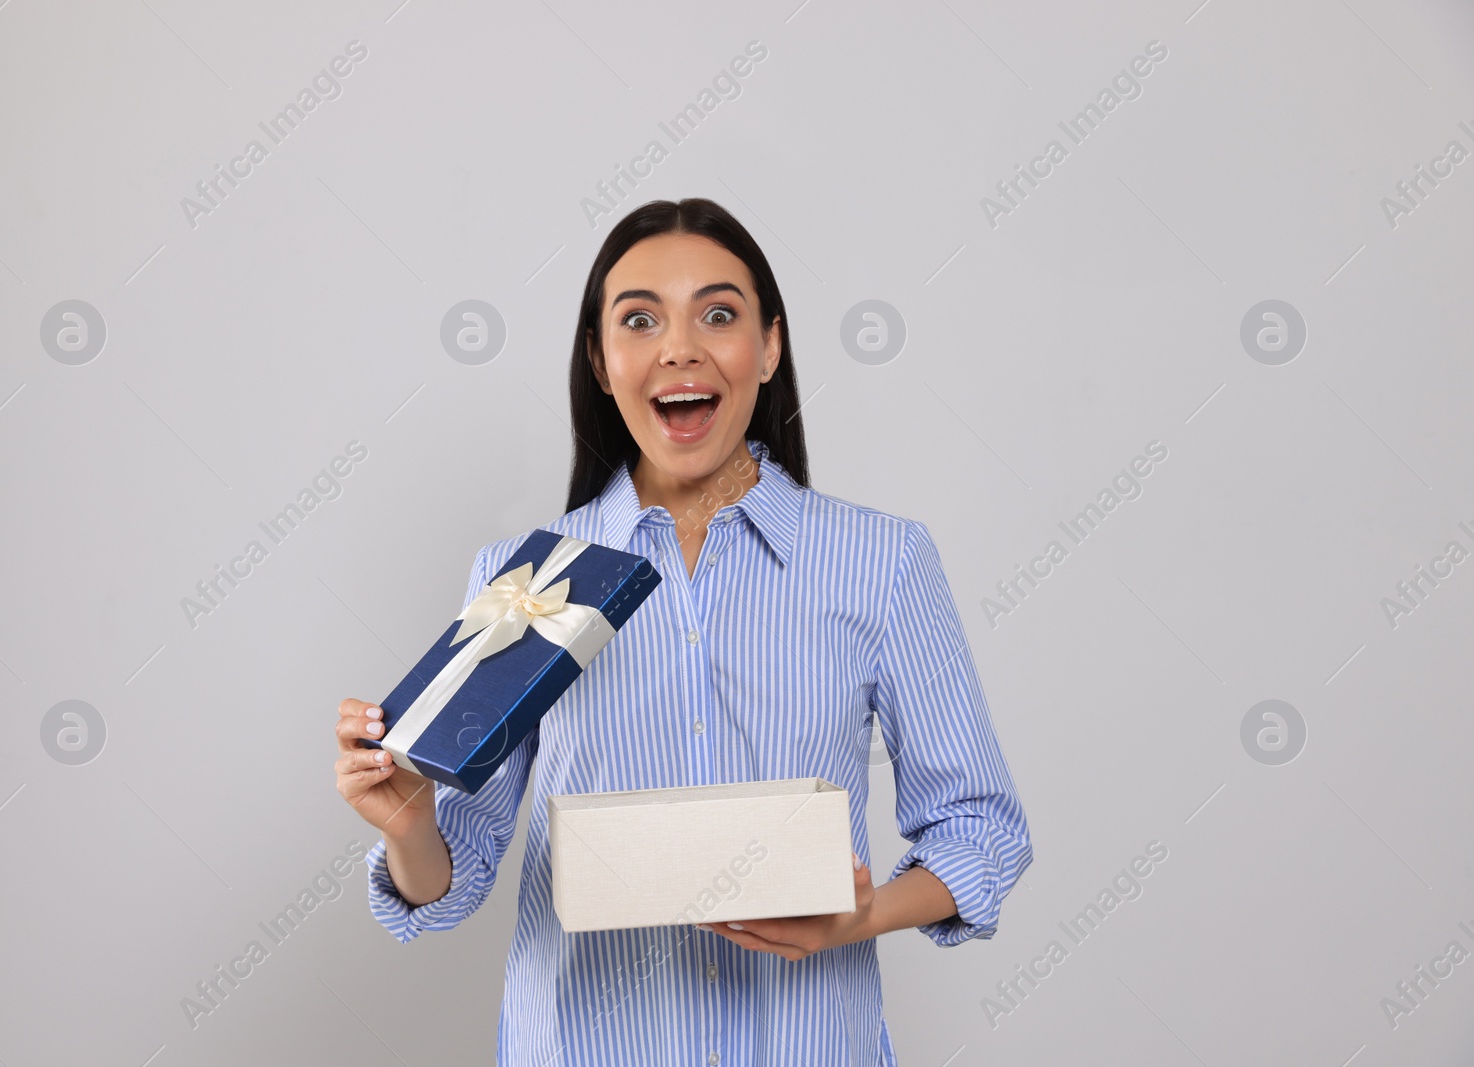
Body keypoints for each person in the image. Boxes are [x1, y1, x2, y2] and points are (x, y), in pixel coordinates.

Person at [334, 197, 1032, 1065]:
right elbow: (453, 876)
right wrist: (408, 824)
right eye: (639, 319)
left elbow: (980, 828)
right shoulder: (523, 580)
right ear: (600, 357)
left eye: (718, 313)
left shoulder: (881, 562)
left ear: (769, 345)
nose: (679, 347)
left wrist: (865, 913)